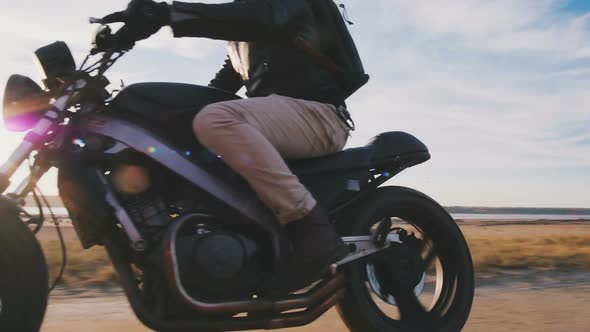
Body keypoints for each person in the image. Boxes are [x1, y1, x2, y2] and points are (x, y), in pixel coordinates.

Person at [107, 0, 365, 293]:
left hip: (320, 114)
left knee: (215, 120)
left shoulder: (274, 10)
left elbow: (257, 17)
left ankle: (312, 229)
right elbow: (218, 89)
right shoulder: (241, 43)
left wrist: (166, 13)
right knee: (189, 128)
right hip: (279, 119)